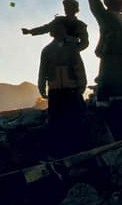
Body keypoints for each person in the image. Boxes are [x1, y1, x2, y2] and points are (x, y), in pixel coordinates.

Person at [37, 24, 87, 152]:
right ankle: (59, 150)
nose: (59, 32)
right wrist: (41, 86)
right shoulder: (47, 50)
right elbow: (42, 70)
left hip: (71, 89)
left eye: (61, 29)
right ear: (52, 33)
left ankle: (77, 148)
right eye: (57, 30)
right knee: (56, 122)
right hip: (55, 90)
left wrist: (82, 83)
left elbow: (79, 66)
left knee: (75, 120)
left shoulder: (72, 48)